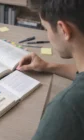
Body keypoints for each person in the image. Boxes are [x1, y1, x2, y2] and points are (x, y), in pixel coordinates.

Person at [17, 0, 84, 139]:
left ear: (63, 30)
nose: (47, 34)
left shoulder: (66, 108)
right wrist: (48, 66)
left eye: (46, 28)